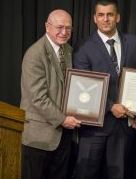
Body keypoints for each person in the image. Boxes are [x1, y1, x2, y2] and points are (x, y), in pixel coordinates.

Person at [73, 0, 136, 179]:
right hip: (94, 127)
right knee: (85, 174)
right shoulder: (83, 47)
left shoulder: (134, 42)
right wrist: (111, 106)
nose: (106, 19)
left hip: (124, 127)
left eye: (110, 15)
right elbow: (82, 87)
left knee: (119, 174)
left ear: (118, 17)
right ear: (94, 18)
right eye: (101, 15)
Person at [20, 9, 81, 179]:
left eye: (68, 28)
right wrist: (62, 119)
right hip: (39, 137)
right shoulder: (34, 54)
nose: (64, 32)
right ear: (47, 27)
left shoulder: (68, 50)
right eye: (59, 27)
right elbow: (38, 98)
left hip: (63, 136)